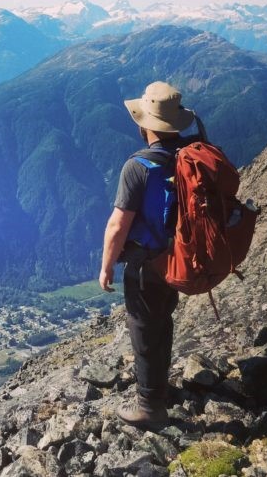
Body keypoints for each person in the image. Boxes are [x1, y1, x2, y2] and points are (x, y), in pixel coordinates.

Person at [98, 81, 203, 429]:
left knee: (143, 328)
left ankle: (149, 407)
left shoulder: (139, 166)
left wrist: (106, 266)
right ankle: (161, 389)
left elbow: (118, 225)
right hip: (178, 257)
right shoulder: (190, 155)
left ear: (145, 125)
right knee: (163, 320)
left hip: (146, 263)